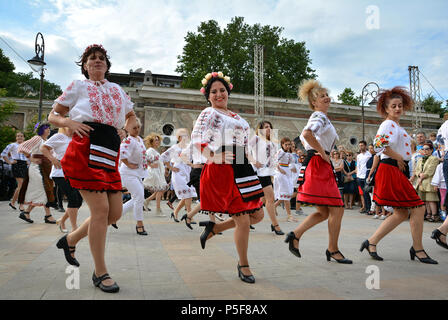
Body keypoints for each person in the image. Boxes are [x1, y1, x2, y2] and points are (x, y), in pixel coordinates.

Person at [49, 44, 137, 293]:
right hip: (85, 147)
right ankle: (101, 272)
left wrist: (125, 128)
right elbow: (52, 116)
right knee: (100, 211)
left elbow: (131, 116)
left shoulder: (118, 90)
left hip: (109, 149)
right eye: (92, 58)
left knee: (114, 213)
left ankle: (70, 239)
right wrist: (69, 122)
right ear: (85, 66)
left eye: (101, 58)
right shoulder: (78, 86)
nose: (97, 61)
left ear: (107, 65)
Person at [193, 71, 264, 283]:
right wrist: (213, 157)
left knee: (257, 216)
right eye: (213, 91)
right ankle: (244, 265)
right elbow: (197, 138)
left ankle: (215, 228)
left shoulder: (237, 117)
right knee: (243, 219)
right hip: (224, 168)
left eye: (222, 90)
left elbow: (245, 141)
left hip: (242, 165)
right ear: (208, 96)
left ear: (228, 92)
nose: (218, 94)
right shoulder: (208, 113)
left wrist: (250, 158)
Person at [360, 86, 437, 264]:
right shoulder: (388, 124)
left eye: (400, 105)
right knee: (418, 208)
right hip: (391, 168)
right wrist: (398, 157)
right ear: (386, 109)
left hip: (397, 168)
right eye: (393, 106)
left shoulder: (396, 125)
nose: (397, 108)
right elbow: (378, 145)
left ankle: (371, 242)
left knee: (402, 213)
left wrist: (404, 157)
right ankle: (418, 249)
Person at [286, 79, 352, 264]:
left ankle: (296, 235)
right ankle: (333, 249)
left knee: (324, 211)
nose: (326, 98)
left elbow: (304, 136)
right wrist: (323, 153)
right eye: (321, 96)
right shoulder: (319, 116)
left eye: (326, 95)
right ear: (313, 102)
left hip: (318, 163)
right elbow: (306, 134)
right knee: (337, 209)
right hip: (318, 162)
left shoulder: (322, 117)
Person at [41, 127, 83, 233]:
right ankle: (74, 228)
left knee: (79, 201)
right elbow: (43, 148)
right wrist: (53, 159)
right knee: (73, 199)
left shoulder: (76, 138)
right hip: (60, 173)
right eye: (68, 126)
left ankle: (62, 221)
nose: (71, 129)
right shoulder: (59, 136)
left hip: (73, 173)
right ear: (64, 127)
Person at [248, 121, 284, 235]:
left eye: (270, 127)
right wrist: (254, 161)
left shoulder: (271, 142)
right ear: (261, 129)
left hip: (268, 173)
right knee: (270, 199)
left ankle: (247, 219)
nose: (269, 129)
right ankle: (275, 225)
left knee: (261, 200)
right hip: (259, 173)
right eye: (266, 127)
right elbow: (243, 150)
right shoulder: (256, 139)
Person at [17, 123, 57, 224]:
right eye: (46, 129)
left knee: (44, 190)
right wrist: (30, 158)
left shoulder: (46, 141)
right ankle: (47, 215)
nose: (48, 130)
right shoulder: (37, 138)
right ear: (41, 130)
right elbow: (22, 147)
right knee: (44, 189)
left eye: (49, 129)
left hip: (46, 168)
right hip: (37, 168)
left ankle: (27, 213)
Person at [119, 118, 149, 235]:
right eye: (134, 128)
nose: (136, 130)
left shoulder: (139, 139)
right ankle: (139, 224)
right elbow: (121, 154)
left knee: (137, 198)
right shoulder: (128, 140)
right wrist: (128, 164)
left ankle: (113, 217)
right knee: (139, 196)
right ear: (127, 129)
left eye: (138, 127)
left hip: (137, 173)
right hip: (128, 173)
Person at [161, 128, 197, 222]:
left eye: (186, 135)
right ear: (179, 137)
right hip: (178, 173)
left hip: (188, 172)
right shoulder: (175, 148)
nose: (185, 137)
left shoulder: (189, 147)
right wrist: (170, 168)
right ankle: (190, 216)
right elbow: (163, 157)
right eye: (183, 136)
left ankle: (175, 212)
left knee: (187, 194)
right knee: (188, 194)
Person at [143, 133, 169, 216]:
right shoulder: (150, 150)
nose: (157, 141)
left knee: (160, 190)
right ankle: (158, 210)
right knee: (160, 190)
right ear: (151, 141)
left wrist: (164, 170)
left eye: (158, 140)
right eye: (155, 140)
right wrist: (151, 165)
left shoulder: (154, 150)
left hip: (158, 171)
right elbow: (145, 159)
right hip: (154, 171)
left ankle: (147, 201)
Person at [1, 132, 28, 211]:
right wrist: (10, 162)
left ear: (24, 138)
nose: (19, 137)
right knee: (21, 185)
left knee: (21, 185)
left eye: (21, 136)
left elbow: (29, 155)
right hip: (16, 165)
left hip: (24, 165)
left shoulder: (26, 145)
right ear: (16, 137)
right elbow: (3, 154)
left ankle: (12, 202)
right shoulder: (12, 145)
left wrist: (27, 161)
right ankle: (21, 204)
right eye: (18, 136)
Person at [414, 141, 439, 222]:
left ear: (431, 150)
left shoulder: (434, 159)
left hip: (429, 181)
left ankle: (434, 215)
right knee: (425, 200)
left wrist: (422, 176)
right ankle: (428, 214)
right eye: (423, 149)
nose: (425, 151)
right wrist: (419, 175)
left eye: (427, 149)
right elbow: (417, 170)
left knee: (431, 199)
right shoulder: (420, 159)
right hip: (421, 182)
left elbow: (431, 170)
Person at [274, 137, 298, 223]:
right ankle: (289, 216)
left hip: (287, 173)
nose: (288, 146)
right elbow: (275, 160)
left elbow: (291, 163)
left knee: (286, 193)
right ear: (282, 144)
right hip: (281, 174)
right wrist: (279, 169)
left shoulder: (289, 154)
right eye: (286, 144)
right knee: (286, 193)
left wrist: (293, 168)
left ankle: (274, 206)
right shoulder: (280, 152)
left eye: (289, 144)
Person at [356, 141, 372, 214]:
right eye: (359, 145)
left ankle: (369, 208)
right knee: (363, 193)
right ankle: (365, 207)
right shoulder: (359, 156)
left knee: (367, 192)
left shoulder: (369, 155)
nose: (360, 147)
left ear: (365, 146)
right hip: (360, 176)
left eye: (362, 145)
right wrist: (357, 175)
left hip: (366, 176)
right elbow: (358, 166)